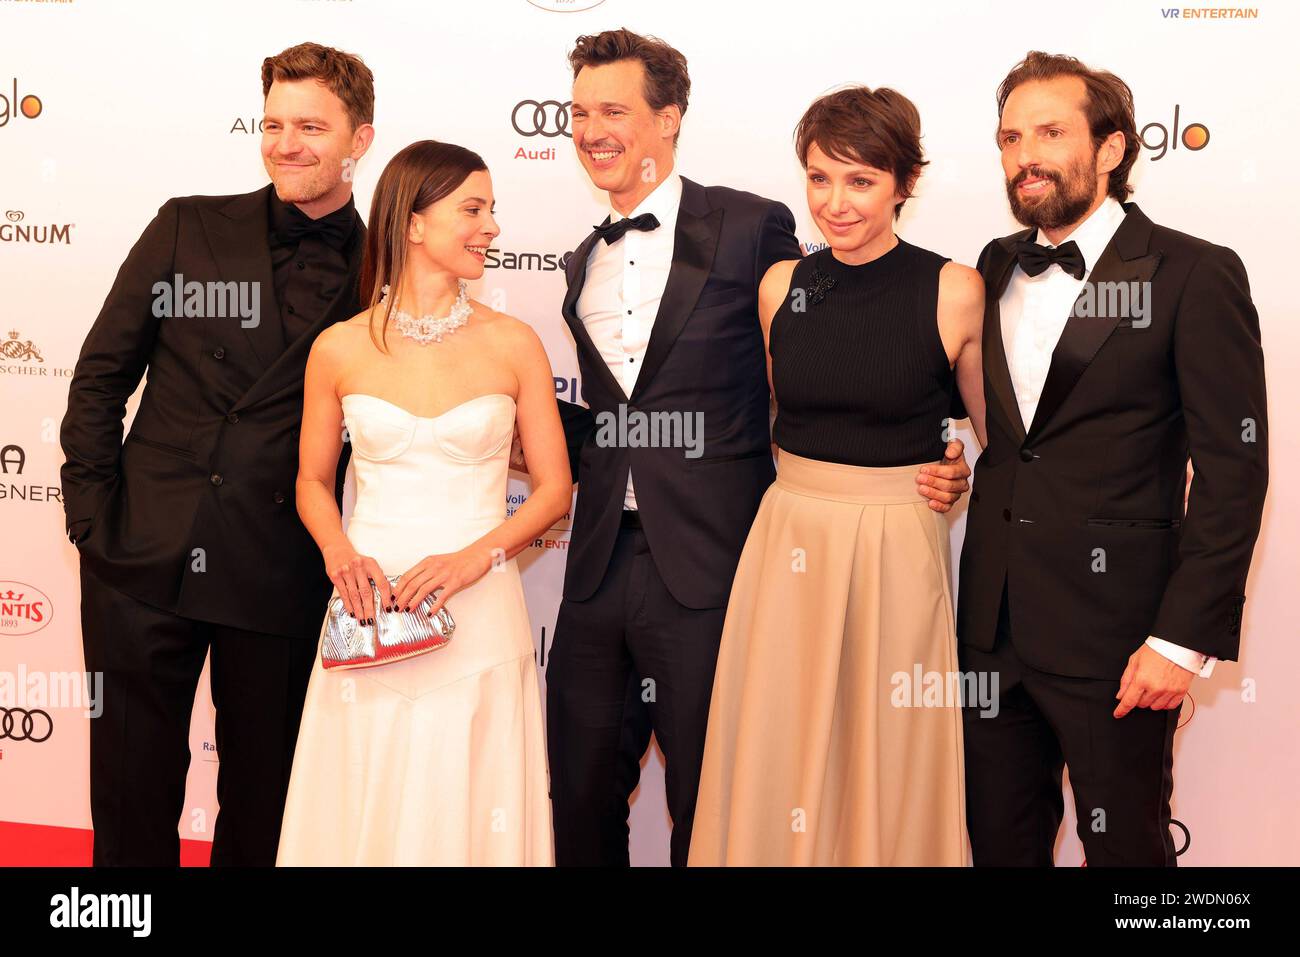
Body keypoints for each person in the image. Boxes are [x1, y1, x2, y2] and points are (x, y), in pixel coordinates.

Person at [536, 30, 974, 867]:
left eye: (615, 110)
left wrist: (938, 450)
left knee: (725, 795)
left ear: (668, 119)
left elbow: (833, 348)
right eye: (580, 111)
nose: (592, 128)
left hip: (719, 562)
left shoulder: (749, 229)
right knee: (580, 786)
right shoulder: (581, 258)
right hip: (594, 562)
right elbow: (614, 416)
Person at [58, 42, 375, 866]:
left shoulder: (382, 268)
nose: (286, 143)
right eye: (273, 123)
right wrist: (94, 520)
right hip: (142, 555)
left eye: (311, 125)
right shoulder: (187, 223)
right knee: (129, 792)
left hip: (276, 566)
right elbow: (99, 378)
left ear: (359, 140)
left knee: (264, 802)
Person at [957, 52, 1268, 866]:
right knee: (998, 848)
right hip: (991, 629)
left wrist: (1179, 639)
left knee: (1128, 857)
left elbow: (1235, 471)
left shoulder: (1193, 271)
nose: (1026, 153)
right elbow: (1010, 438)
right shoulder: (991, 266)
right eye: (1010, 136)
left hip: (1121, 640)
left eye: (1052, 132)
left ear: (1113, 149)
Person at [688, 86, 986, 866]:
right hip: (790, 533)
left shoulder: (954, 288)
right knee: (778, 734)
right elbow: (785, 416)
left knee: (887, 744)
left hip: (898, 539)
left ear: (904, 183)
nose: (836, 202)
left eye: (860, 180)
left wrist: (958, 474)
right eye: (820, 178)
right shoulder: (781, 285)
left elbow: (993, 436)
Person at [276, 140, 569, 866]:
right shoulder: (340, 348)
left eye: (492, 209)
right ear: (412, 222)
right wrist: (340, 552)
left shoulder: (514, 343)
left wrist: (473, 560)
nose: (491, 226)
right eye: (473, 208)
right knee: (363, 787)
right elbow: (313, 480)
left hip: (480, 600)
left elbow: (556, 489)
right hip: (369, 602)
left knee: (466, 794)